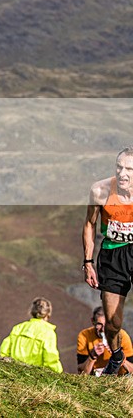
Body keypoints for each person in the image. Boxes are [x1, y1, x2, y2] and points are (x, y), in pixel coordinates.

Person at [82, 145, 133, 375]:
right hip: (113, 255)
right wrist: (88, 262)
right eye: (119, 167)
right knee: (112, 322)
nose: (123, 173)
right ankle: (117, 354)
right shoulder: (100, 191)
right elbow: (90, 224)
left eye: (129, 169)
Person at [0, 297, 63, 373]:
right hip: (36, 374)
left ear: (32, 312)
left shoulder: (18, 328)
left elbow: (4, 350)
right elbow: (50, 358)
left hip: (14, 370)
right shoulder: (48, 333)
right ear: (48, 314)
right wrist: (58, 371)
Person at [76, 306, 133, 375]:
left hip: (119, 377)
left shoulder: (122, 335)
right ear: (93, 321)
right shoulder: (84, 336)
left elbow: (132, 369)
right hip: (95, 378)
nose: (103, 329)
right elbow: (81, 372)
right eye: (99, 324)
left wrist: (118, 356)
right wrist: (92, 356)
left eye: (107, 325)